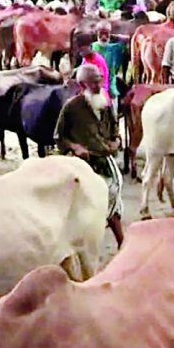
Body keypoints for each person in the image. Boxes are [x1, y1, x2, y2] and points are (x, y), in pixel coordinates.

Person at [55, 64, 124, 247]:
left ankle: (121, 242)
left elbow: (114, 126)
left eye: (100, 80)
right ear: (82, 85)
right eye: (94, 82)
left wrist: (116, 139)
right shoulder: (71, 107)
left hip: (105, 160)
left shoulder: (105, 103)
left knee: (113, 198)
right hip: (84, 165)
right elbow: (58, 136)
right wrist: (75, 147)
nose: (98, 85)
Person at [91, 21, 126, 103]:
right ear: (97, 33)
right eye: (101, 33)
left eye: (106, 34)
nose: (103, 37)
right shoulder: (92, 48)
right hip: (95, 86)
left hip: (111, 86)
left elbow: (127, 39)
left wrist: (115, 36)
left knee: (113, 110)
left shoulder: (115, 48)